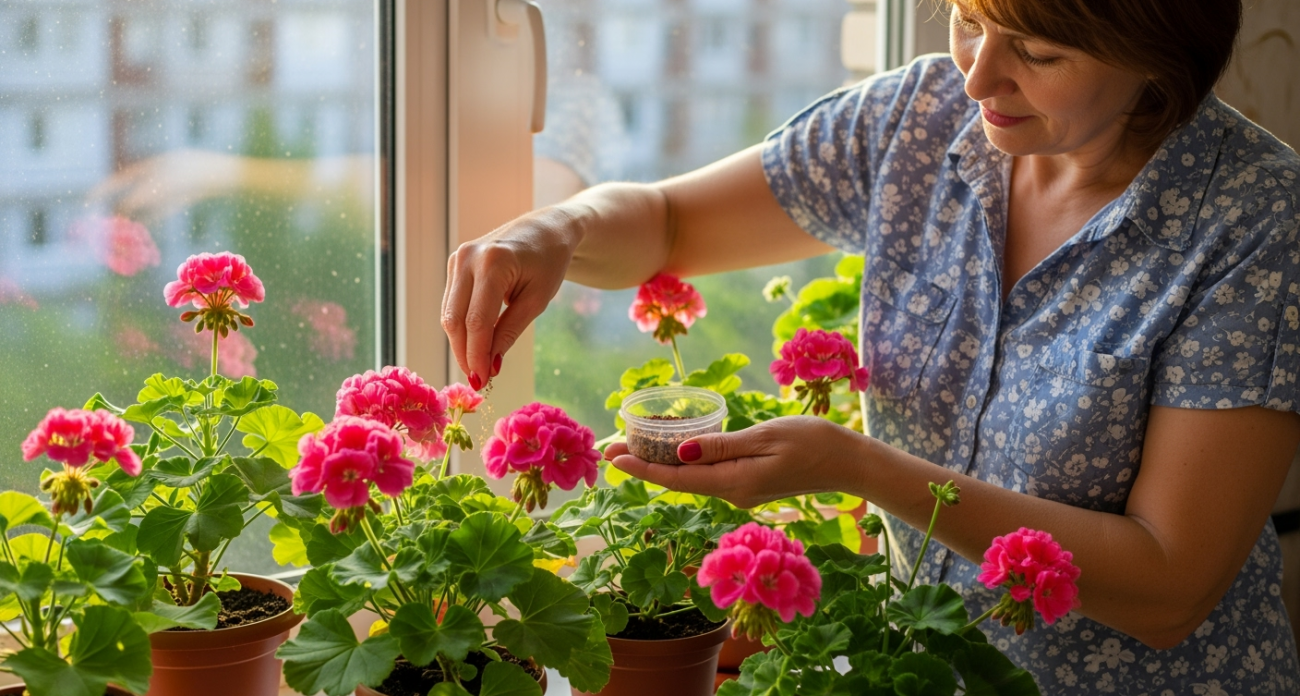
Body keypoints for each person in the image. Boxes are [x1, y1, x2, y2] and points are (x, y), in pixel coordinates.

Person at [440, 0, 1300, 691]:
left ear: (1156, 51)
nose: (978, 76)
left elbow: (1168, 588)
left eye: (1038, 53)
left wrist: (854, 465)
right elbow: (668, 223)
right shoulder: (915, 121)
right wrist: (553, 230)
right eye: (968, 18)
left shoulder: (1255, 217)